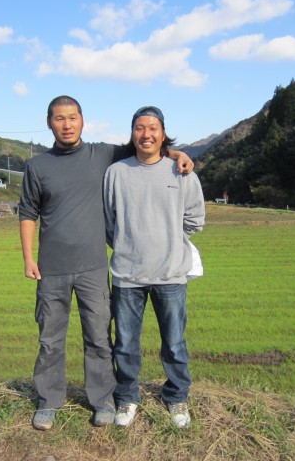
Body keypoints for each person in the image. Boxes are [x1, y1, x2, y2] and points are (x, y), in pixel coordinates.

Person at [18, 96, 194, 430]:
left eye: (72, 117)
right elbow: (28, 213)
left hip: (94, 267)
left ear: (83, 121)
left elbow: (145, 146)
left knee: (99, 338)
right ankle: (48, 401)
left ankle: (102, 401)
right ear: (49, 123)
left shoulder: (102, 155)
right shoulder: (37, 166)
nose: (67, 124)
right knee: (49, 339)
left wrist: (176, 153)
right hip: (51, 267)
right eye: (59, 119)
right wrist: (28, 258)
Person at [103, 106, 205, 429]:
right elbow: (109, 222)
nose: (146, 134)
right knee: (125, 344)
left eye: (153, 128)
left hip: (171, 275)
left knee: (174, 342)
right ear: (132, 133)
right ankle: (127, 398)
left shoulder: (182, 172)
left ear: (163, 133)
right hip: (127, 276)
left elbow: (195, 220)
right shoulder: (115, 173)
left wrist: (170, 240)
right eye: (139, 128)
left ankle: (176, 397)